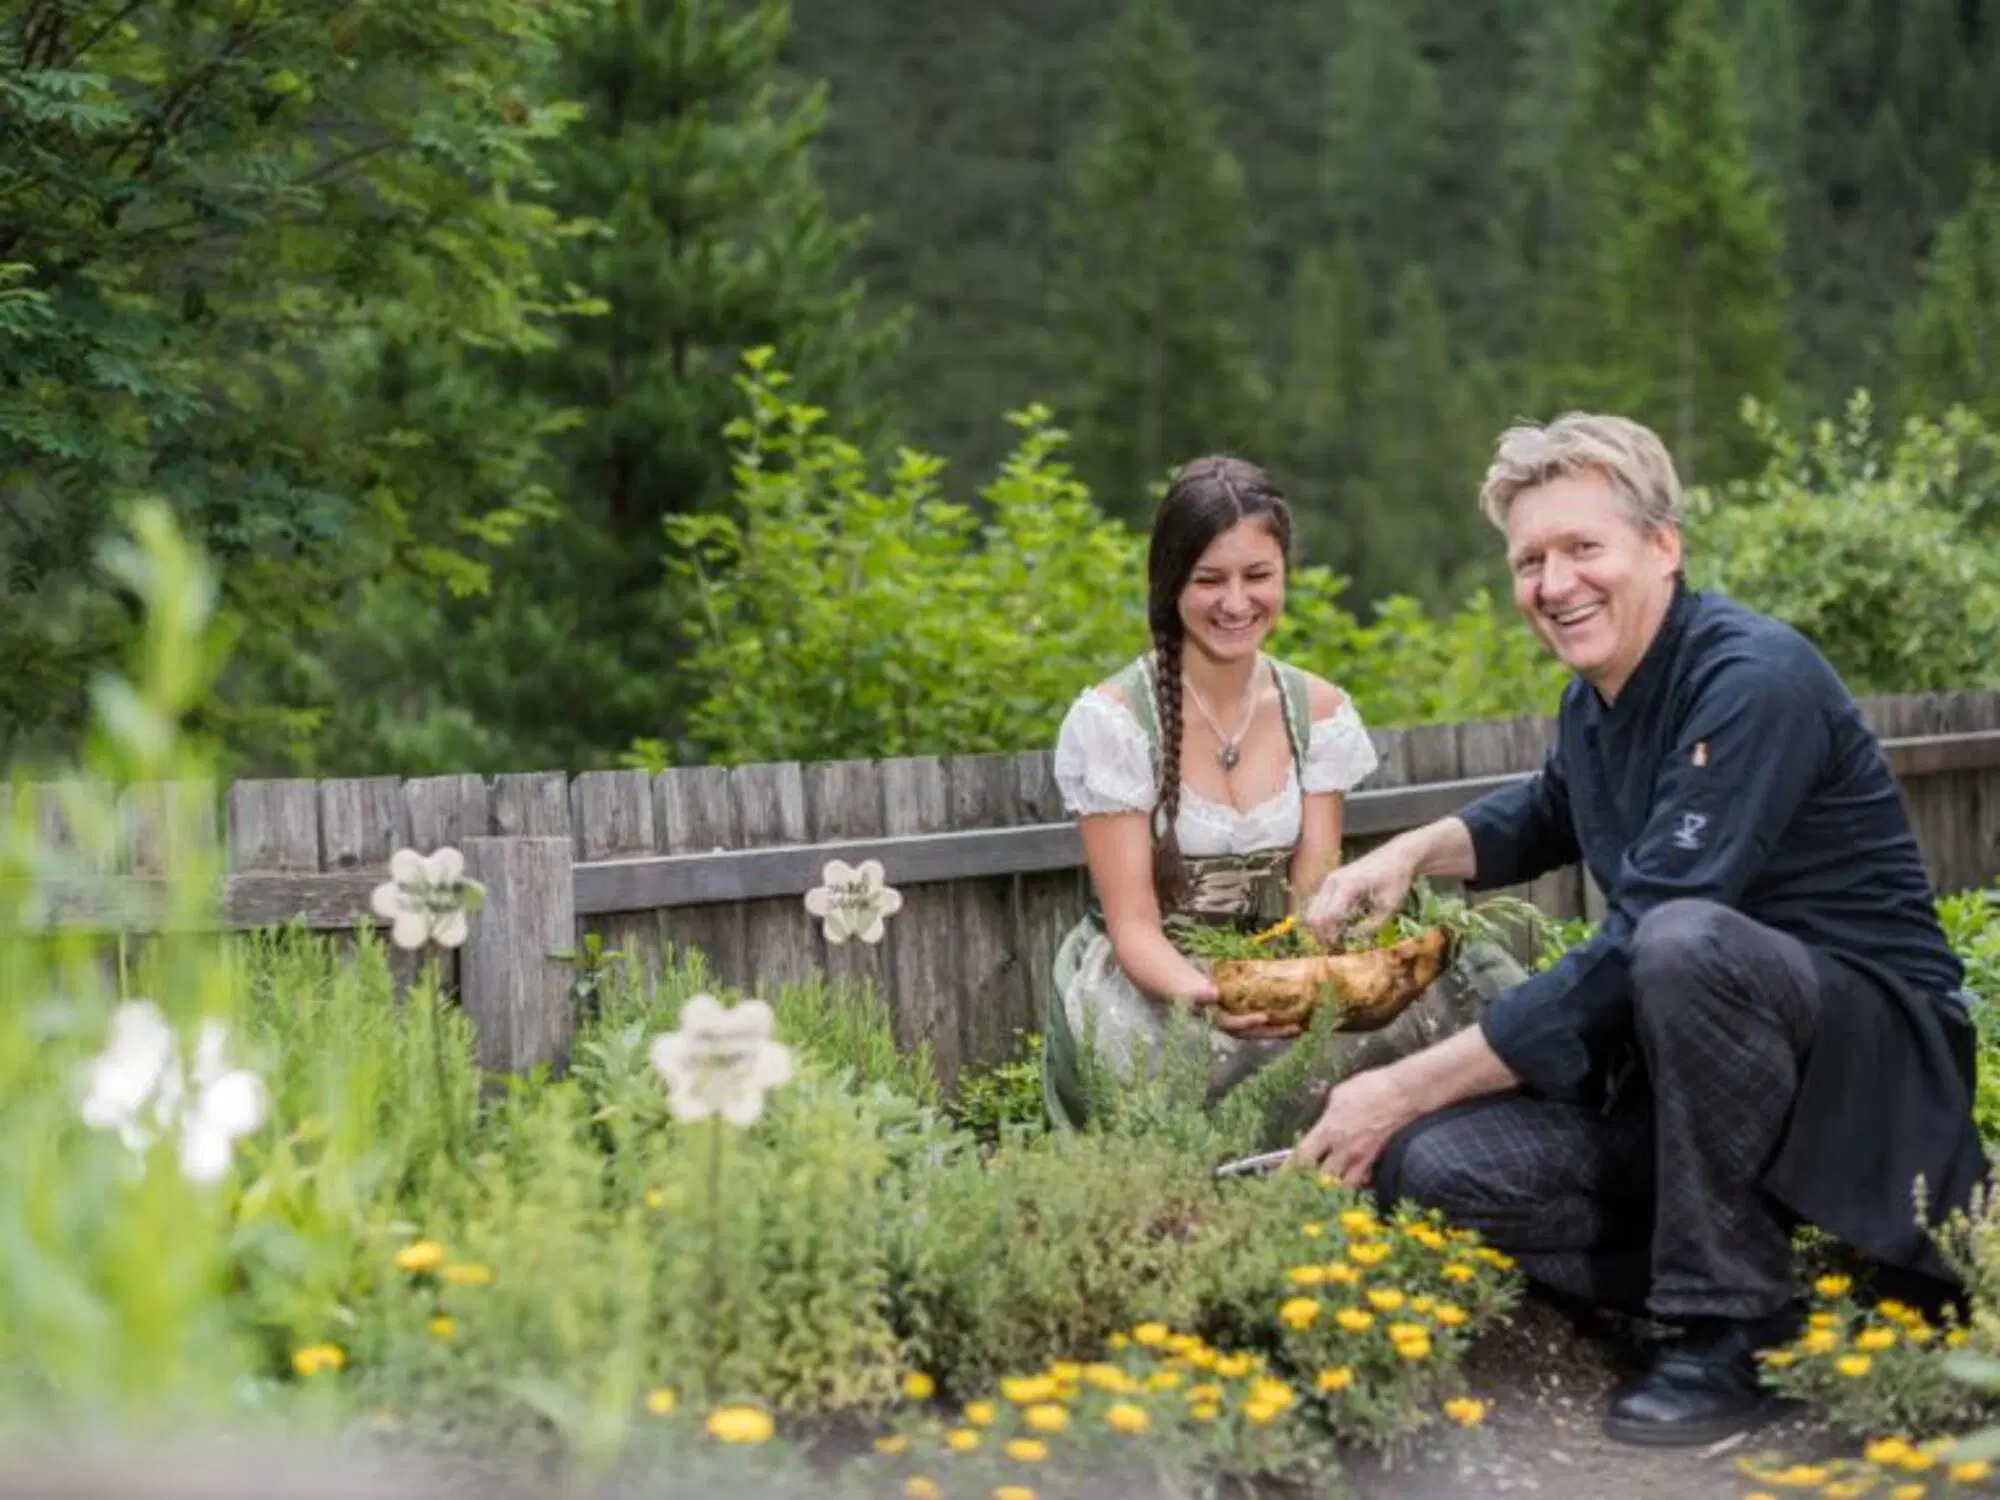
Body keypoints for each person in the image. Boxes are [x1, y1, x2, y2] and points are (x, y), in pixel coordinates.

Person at [1294, 412, 1988, 1446]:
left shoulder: (1751, 678)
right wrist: (1403, 854)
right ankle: (1769, 1281)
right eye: (1529, 560)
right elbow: (1540, 813)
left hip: (1869, 1071)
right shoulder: (1595, 704)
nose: (1553, 582)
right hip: (1700, 1090)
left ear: (1660, 546)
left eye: (1582, 547)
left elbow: (1655, 929)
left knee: (1677, 945)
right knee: (1427, 1168)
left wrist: (1399, 1081)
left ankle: (1733, 1328)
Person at [1041, 454, 1509, 1131]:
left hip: (1272, 961)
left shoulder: (1315, 711)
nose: (1236, 603)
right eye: (1210, 580)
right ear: (1170, 583)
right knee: (1183, 1081)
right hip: (1153, 979)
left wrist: (1324, 982)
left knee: (1465, 993)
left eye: (1258, 575)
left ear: (1284, 574)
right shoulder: (1115, 722)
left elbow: (1310, 895)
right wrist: (1205, 995)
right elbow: (1133, 926)